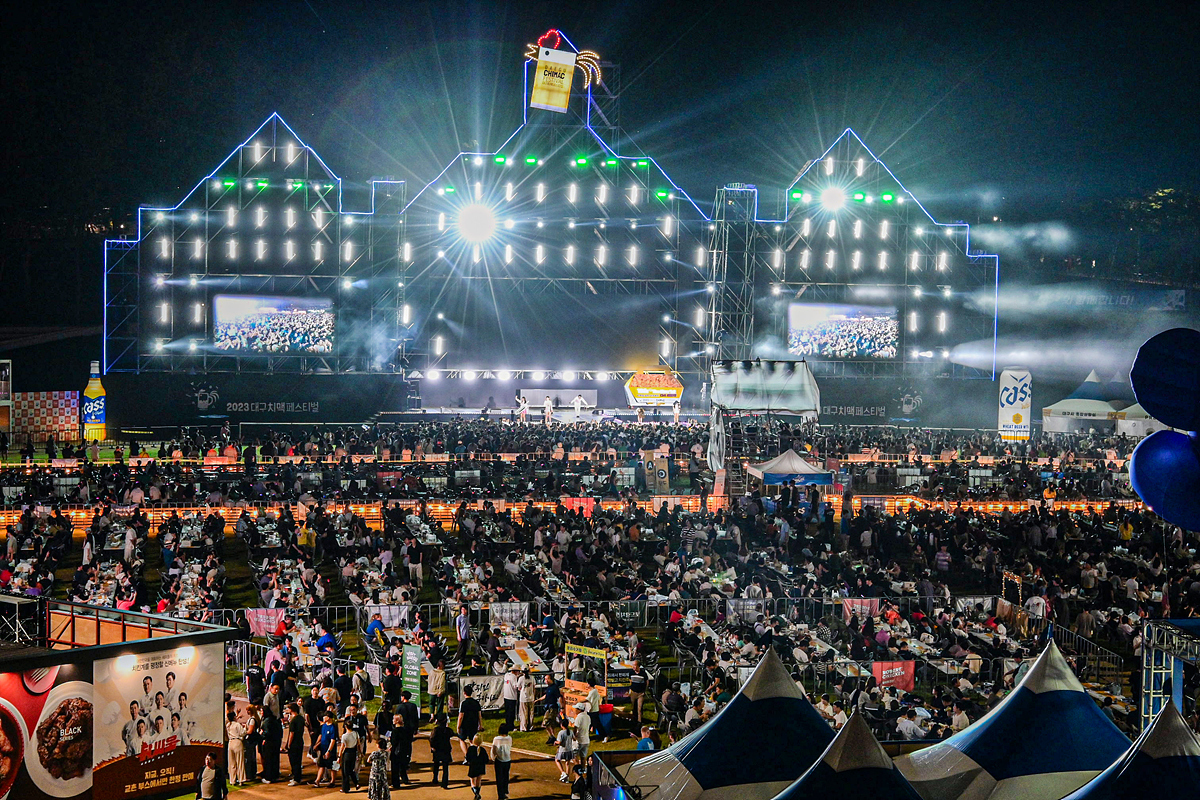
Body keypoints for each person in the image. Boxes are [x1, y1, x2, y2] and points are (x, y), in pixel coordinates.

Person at [457, 684, 482, 758]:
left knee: (462, 739)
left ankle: (467, 755)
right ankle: (474, 755)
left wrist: (458, 726)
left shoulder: (463, 703)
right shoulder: (476, 703)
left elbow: (461, 716)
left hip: (465, 725)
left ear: (464, 693)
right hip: (473, 724)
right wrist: (480, 725)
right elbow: (479, 715)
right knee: (472, 740)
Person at [314, 711, 338, 788]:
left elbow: (333, 740)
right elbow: (322, 736)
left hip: (330, 750)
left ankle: (332, 781)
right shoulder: (324, 726)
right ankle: (317, 780)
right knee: (322, 765)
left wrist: (329, 751)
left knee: (332, 766)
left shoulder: (333, 727)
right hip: (323, 748)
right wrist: (317, 744)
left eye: (325, 716)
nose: (324, 718)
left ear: (329, 718)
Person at [429, 714, 454, 789]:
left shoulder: (436, 730)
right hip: (446, 749)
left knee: (436, 764)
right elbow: (452, 734)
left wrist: (432, 746)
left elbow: (432, 738)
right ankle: (445, 783)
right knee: (445, 767)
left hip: (437, 749)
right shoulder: (448, 730)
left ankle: (435, 778)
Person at [389, 710, 413, 787]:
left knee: (395, 768)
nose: (392, 720)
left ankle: (396, 783)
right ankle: (405, 779)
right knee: (403, 766)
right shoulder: (406, 730)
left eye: (393, 719)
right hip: (404, 750)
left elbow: (394, 742)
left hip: (396, 751)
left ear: (396, 721)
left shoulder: (395, 731)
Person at [339, 711, 362, 793]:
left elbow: (342, 747)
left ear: (346, 726)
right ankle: (356, 783)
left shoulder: (344, 736)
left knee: (345, 771)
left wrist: (339, 756)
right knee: (351, 769)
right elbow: (358, 744)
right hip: (353, 752)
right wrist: (360, 753)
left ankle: (345, 788)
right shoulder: (355, 733)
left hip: (347, 753)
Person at [260, 706, 283, 783]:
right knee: (275, 759)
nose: (261, 713)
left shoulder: (267, 721)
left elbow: (267, 732)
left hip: (269, 743)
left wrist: (262, 735)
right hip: (276, 742)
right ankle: (275, 775)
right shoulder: (274, 719)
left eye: (262, 711)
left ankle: (268, 777)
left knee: (268, 760)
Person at [284, 703, 305, 786]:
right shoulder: (301, 718)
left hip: (294, 743)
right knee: (298, 760)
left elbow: (291, 733)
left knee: (294, 761)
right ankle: (297, 777)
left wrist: (288, 744)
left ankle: (296, 778)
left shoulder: (294, 720)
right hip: (300, 741)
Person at [492, 723, 513, 800]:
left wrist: (493, 757)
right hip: (507, 760)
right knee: (506, 776)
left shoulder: (496, 739)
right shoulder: (509, 738)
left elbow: (494, 749)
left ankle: (501, 795)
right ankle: (505, 790)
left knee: (499, 778)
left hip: (499, 760)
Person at [465, 733, 490, 799]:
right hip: (481, 767)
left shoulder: (470, 749)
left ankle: (476, 793)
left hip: (473, 767)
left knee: (472, 781)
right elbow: (486, 760)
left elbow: (468, 758)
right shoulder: (482, 750)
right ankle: (478, 793)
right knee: (478, 781)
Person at [226, 711, 246, 786]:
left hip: (230, 743)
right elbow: (242, 733)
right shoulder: (237, 725)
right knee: (240, 762)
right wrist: (245, 728)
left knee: (232, 763)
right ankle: (241, 780)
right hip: (237, 742)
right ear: (234, 717)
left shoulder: (228, 725)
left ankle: (232, 780)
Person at [553, 718, 575, 782]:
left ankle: (563, 773)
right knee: (567, 763)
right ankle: (567, 777)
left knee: (557, 760)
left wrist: (555, 742)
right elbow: (574, 738)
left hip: (562, 750)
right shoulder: (571, 731)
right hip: (569, 749)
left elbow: (559, 742)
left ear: (562, 725)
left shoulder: (561, 733)